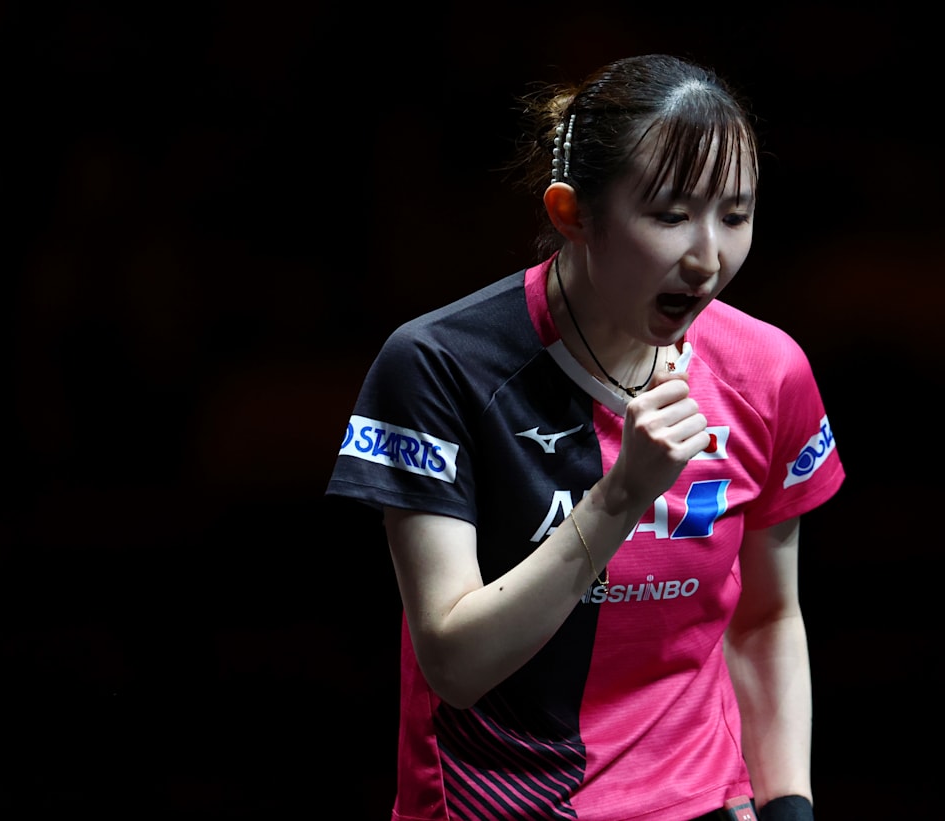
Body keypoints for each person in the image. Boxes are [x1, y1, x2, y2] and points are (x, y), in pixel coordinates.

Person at [327, 53, 845, 821]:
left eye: (734, 216)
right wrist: (621, 496)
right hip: (493, 804)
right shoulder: (440, 366)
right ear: (572, 213)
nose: (708, 258)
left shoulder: (766, 371)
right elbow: (455, 664)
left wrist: (788, 805)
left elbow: (768, 617)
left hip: (699, 800)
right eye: (669, 215)